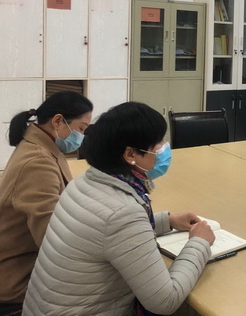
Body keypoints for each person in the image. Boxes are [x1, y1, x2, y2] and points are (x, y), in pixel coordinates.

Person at [22, 101, 215, 316]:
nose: (164, 148)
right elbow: (164, 301)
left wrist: (168, 221)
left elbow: (105, 234)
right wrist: (199, 243)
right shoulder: (122, 213)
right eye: (157, 144)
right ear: (130, 154)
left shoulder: (84, 182)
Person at [0, 91, 93, 313]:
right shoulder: (38, 161)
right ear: (58, 121)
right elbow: (52, 240)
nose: (81, 136)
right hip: (18, 278)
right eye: (81, 129)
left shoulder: (42, 146)